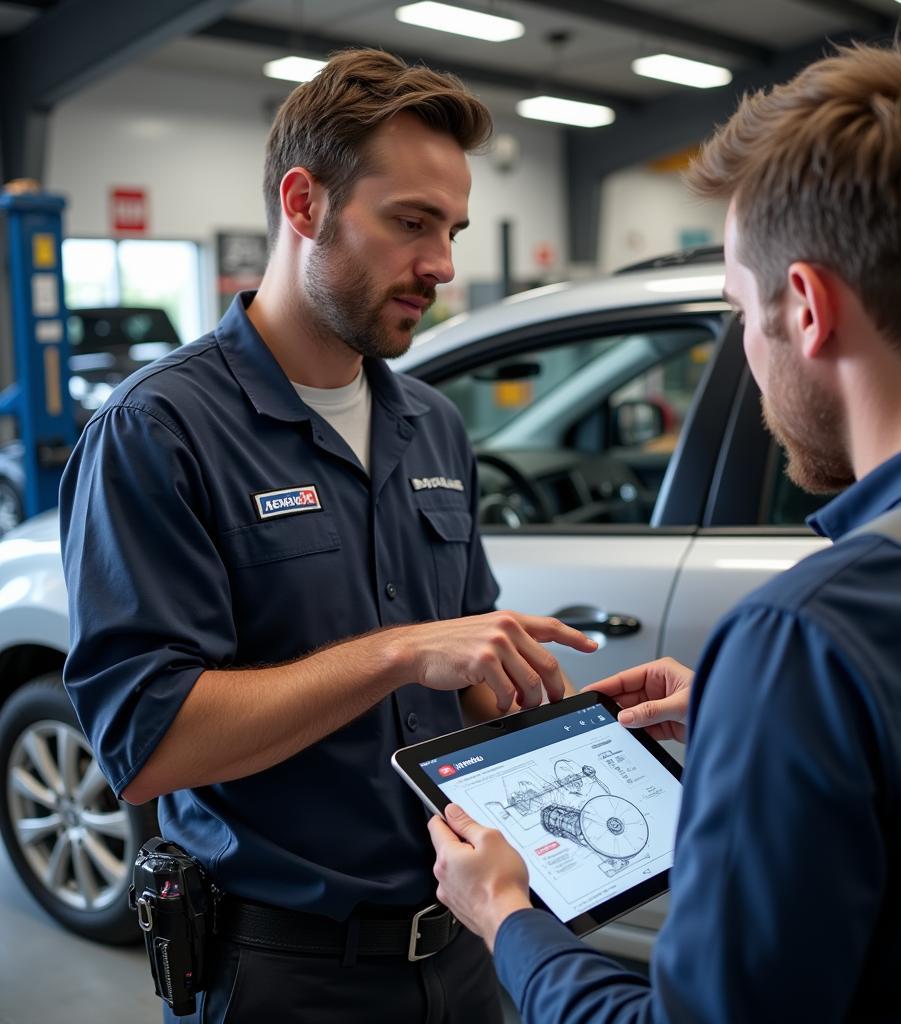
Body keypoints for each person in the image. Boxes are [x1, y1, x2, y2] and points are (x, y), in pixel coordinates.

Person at [429, 43, 901, 1023]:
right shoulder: (836, 659)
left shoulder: (812, 636)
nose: (749, 354)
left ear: (805, 306)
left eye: (742, 314)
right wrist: (778, 736)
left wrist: (510, 918)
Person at [59, 48, 596, 1024]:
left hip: (467, 946)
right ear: (302, 202)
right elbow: (148, 743)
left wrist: (560, 715)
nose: (441, 263)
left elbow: (456, 677)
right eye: (410, 223)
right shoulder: (156, 431)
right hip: (282, 973)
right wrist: (396, 653)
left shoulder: (431, 424)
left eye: (452, 230)